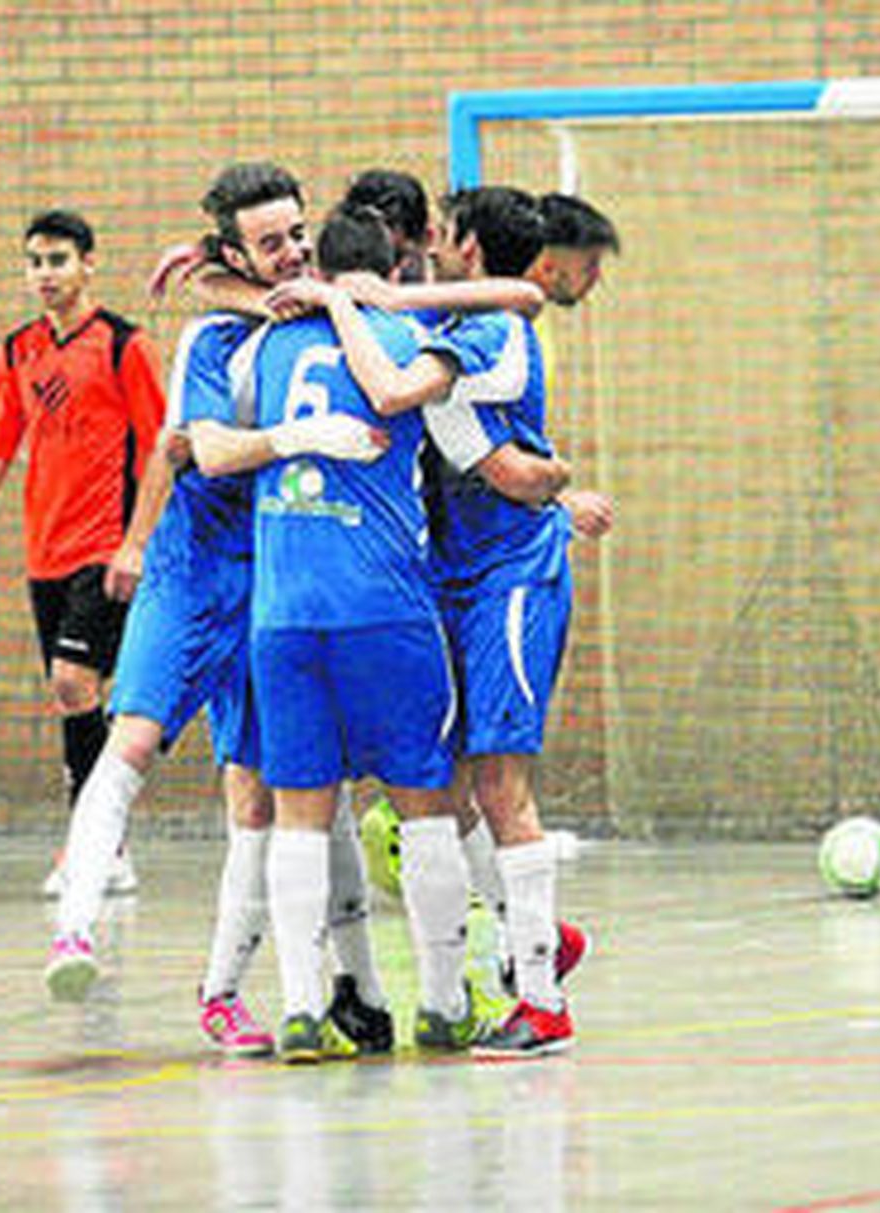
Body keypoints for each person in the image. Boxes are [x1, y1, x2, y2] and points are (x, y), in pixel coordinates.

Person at [40, 165, 394, 1060]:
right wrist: (294, 435)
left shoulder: (325, 315)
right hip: (194, 574)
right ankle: (75, 927)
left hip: (279, 580)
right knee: (131, 743)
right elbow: (203, 448)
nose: (294, 253)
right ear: (235, 252)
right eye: (271, 242)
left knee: (269, 795)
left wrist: (229, 270)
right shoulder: (211, 339)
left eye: (298, 233)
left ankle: (227, 994)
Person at [305, 187, 588, 1056]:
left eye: (442, 237)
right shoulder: (466, 312)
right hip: (453, 574)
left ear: (463, 243)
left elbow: (403, 399)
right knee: (454, 784)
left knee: (501, 785)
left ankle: (541, 1004)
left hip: (509, 575)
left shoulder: (492, 329)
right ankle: (536, 932)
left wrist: (346, 300)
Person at [214, 205, 473, 1063]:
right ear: (391, 273)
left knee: (299, 813)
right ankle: (441, 1000)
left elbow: (226, 438)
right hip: (385, 602)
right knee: (423, 801)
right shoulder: (403, 337)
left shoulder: (258, 348)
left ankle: (297, 1007)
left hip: (284, 607)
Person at [0, 209, 166, 897]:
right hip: (46, 552)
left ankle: (92, 850)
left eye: (58, 260)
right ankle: (106, 842)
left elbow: (162, 447)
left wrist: (136, 542)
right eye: (35, 261)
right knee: (77, 697)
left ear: (88, 263)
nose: (45, 273)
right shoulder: (19, 350)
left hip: (106, 546)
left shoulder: (126, 345)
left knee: (72, 680)